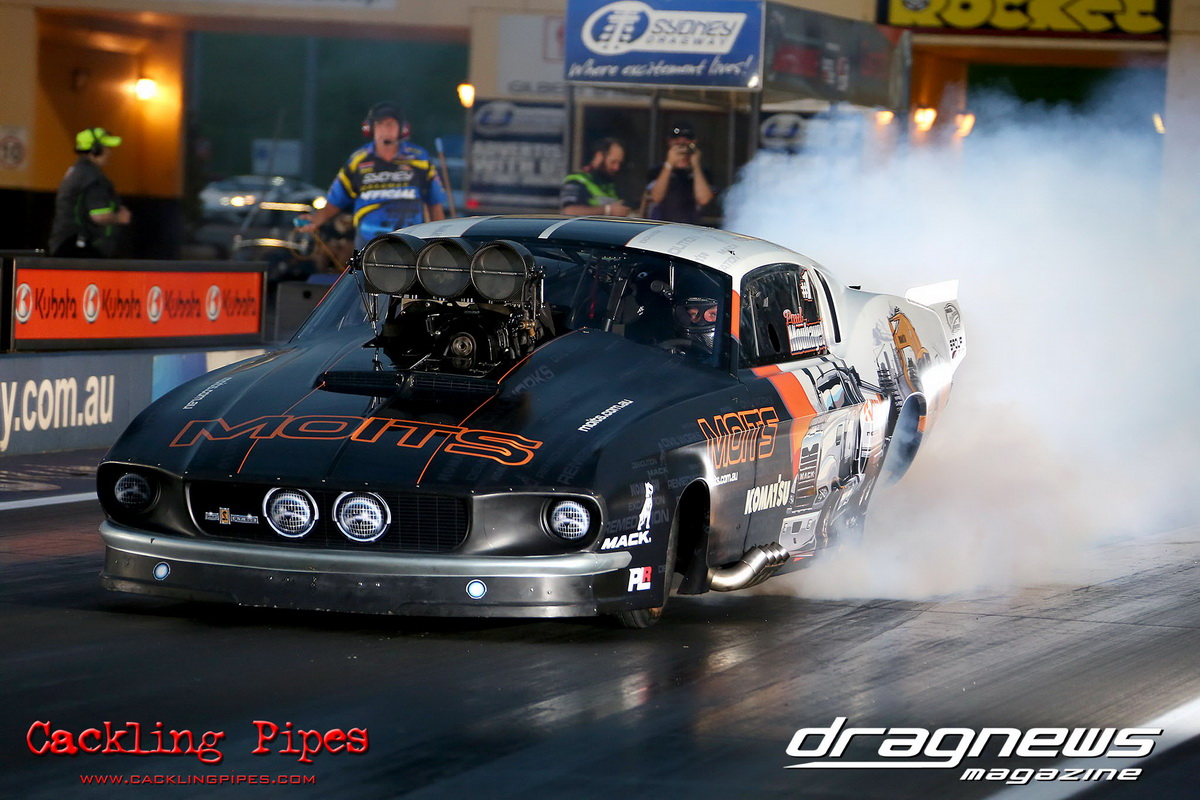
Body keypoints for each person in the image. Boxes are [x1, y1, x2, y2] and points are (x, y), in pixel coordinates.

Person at [299, 102, 446, 248]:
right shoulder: (357, 161)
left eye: (390, 124)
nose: (385, 130)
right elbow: (335, 201)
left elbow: (435, 204)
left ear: (402, 129)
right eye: (380, 124)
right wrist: (315, 220)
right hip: (368, 243)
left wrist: (440, 241)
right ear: (370, 129)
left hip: (411, 242)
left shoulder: (420, 159)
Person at [48, 127, 132, 257]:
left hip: (67, 245)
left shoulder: (78, 171)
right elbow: (99, 215)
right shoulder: (92, 176)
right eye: (106, 147)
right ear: (95, 149)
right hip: (80, 248)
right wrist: (119, 217)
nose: (109, 152)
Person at [644, 122, 716, 225]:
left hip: (691, 228)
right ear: (669, 142)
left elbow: (704, 200)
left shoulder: (703, 173)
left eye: (686, 139)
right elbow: (656, 197)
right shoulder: (657, 171)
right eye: (676, 139)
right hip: (661, 228)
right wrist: (669, 164)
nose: (681, 143)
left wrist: (696, 166)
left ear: (694, 142)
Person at [560, 138, 632, 217]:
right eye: (613, 162)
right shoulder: (577, 180)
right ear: (599, 156)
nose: (616, 167)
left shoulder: (613, 184)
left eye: (619, 163)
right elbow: (569, 211)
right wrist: (607, 210)